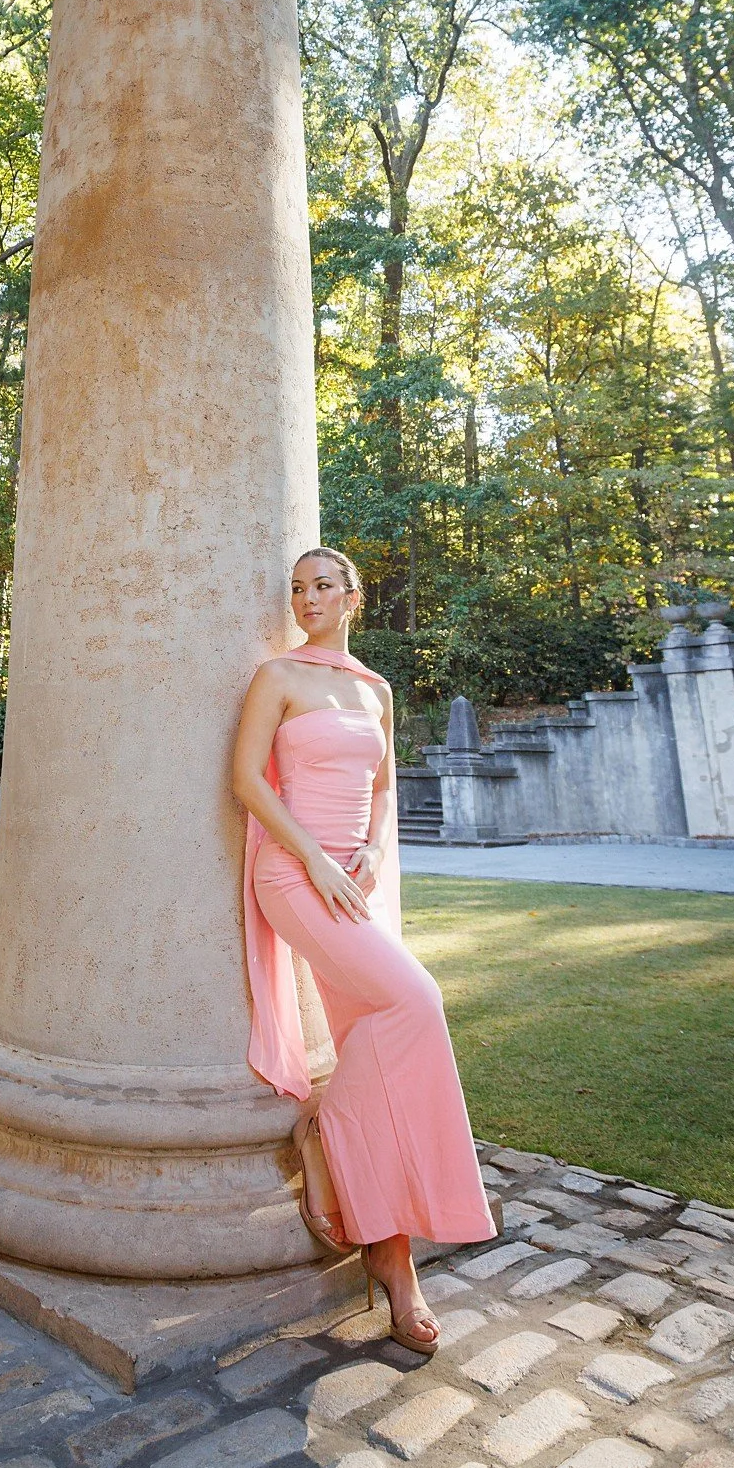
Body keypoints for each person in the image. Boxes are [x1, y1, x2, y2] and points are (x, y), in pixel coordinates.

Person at [232, 546, 496, 1350]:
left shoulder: (375, 690)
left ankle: (395, 1261)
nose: (307, 597)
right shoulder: (277, 677)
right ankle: (320, 1125)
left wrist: (376, 853)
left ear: (353, 596)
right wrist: (312, 855)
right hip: (293, 873)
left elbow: (383, 789)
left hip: (355, 881)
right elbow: (246, 779)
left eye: (322, 585)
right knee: (416, 1000)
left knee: (376, 1046)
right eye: (297, 588)